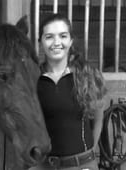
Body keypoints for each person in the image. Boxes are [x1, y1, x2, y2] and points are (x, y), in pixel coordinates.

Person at [31, 13, 108, 170]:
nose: (56, 42)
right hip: (44, 166)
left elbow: (98, 116)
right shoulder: (32, 78)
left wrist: (89, 154)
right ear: (40, 42)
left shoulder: (86, 75)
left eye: (63, 36)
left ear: (71, 40)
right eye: (49, 37)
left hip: (81, 165)